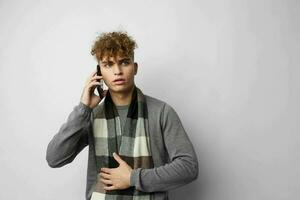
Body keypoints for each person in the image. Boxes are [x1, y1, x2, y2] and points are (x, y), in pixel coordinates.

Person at [46, 31, 199, 200]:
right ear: (99, 73)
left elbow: (188, 167)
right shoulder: (91, 116)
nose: (117, 71)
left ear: (135, 68)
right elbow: (55, 159)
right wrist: (83, 108)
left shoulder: (161, 112)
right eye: (108, 64)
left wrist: (133, 178)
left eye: (124, 62)